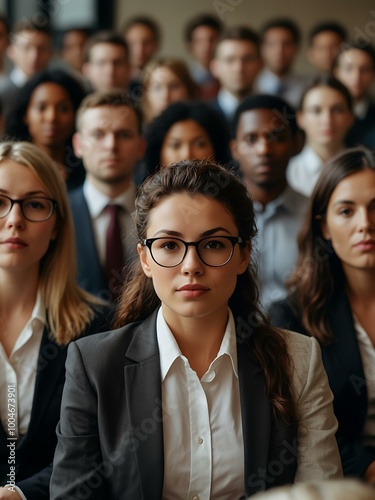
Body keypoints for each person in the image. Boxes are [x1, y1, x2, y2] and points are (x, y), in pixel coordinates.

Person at [50, 160, 342, 499]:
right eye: (170, 246)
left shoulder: (299, 360)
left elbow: (321, 493)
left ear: (243, 254)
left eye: (214, 244)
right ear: (145, 258)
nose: (191, 266)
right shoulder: (94, 364)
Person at [0, 141, 112, 500]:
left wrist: (20, 495)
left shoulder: (99, 327)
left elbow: (97, 454)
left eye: (33, 205)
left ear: (56, 226)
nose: (15, 219)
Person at [269, 147, 375, 481]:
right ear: (325, 227)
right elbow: (296, 427)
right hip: (346, 481)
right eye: (346, 211)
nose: (365, 225)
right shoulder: (291, 315)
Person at [231, 94, 308, 309]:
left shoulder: (316, 214)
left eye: (276, 137)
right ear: (234, 149)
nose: (264, 149)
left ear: (297, 143)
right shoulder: (218, 216)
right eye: (251, 139)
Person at [70, 90, 146, 302]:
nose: (111, 145)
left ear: (141, 146)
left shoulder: (159, 211)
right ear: (78, 145)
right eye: (98, 135)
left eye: (123, 134)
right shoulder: (57, 212)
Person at [4, 69, 87, 191]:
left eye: (63, 109)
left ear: (76, 115)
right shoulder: (7, 167)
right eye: (41, 108)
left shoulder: (88, 168)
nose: (52, 117)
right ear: (25, 114)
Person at [287, 75, 354, 197]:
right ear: (300, 118)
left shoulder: (365, 170)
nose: (327, 120)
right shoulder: (287, 173)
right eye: (316, 111)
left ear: (350, 117)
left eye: (337, 110)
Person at [143, 100, 232, 177]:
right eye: (175, 145)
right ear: (159, 152)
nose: (187, 155)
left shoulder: (232, 195)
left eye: (199, 144)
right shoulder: (144, 196)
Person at [210, 26, 263, 121]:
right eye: (230, 60)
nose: (239, 68)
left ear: (260, 65)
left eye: (247, 59)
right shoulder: (201, 120)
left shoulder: (276, 114)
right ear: (215, 68)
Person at [0, 19, 53, 114]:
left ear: (51, 53)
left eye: (41, 48)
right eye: (26, 48)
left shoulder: (59, 91)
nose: (34, 56)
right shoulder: (2, 92)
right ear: (11, 50)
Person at [255, 18, 309, 108]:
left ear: (296, 48)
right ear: (262, 48)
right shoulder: (252, 86)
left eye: (286, 44)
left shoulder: (308, 87)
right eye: (272, 44)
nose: (279, 51)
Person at [334, 44, 375, 149]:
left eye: (365, 69)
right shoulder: (323, 115)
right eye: (348, 68)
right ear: (336, 72)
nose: (356, 77)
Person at [141, 58, 197, 126]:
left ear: (188, 90)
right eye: (157, 87)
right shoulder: (138, 132)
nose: (166, 96)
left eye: (174, 86)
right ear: (146, 94)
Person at [184, 13, 223, 100]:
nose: (206, 46)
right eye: (199, 41)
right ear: (190, 46)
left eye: (212, 39)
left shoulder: (231, 76)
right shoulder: (184, 79)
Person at [122, 16, 160, 86]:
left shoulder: (163, 79)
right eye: (132, 43)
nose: (140, 49)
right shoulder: (117, 80)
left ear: (156, 44)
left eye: (146, 43)